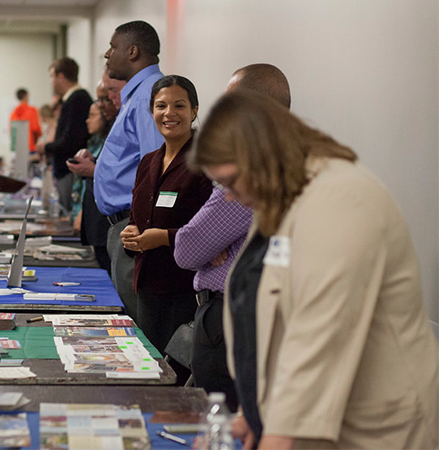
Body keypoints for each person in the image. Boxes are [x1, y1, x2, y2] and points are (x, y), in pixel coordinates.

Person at [192, 89, 439, 449]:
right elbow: (267, 308)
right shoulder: (281, 193)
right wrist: (252, 413)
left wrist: (275, 437)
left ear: (262, 155)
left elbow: (317, 334)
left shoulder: (341, 200)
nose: (228, 196)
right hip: (297, 416)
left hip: (370, 429)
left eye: (230, 181)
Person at [173, 63, 291, 411]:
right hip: (243, 317)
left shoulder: (256, 164)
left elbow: (186, 248)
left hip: (230, 320)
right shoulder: (285, 158)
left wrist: (210, 248)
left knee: (220, 419)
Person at [119, 75, 212, 384]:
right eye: (161, 106)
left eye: (179, 106)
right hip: (147, 285)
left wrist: (161, 238)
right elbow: (138, 217)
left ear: (195, 111)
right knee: (150, 370)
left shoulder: (206, 162)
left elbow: (208, 231)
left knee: (174, 378)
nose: (169, 113)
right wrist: (131, 233)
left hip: (184, 288)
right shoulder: (148, 162)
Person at [94, 20, 165, 320]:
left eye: (113, 47)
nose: (107, 54)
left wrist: (145, 227)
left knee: (141, 324)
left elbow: (158, 167)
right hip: (125, 227)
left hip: (135, 229)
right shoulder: (136, 94)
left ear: (133, 51)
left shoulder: (151, 94)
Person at [66, 84, 114, 272]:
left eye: (106, 100)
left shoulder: (110, 135)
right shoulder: (95, 142)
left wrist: (94, 169)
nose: (87, 120)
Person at [35, 57, 92, 212]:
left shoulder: (78, 99)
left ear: (61, 76)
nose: (51, 81)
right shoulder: (70, 99)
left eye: (52, 76)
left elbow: (70, 140)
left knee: (68, 213)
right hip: (65, 172)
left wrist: (46, 147)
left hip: (70, 172)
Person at [9, 88, 42, 152]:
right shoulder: (32, 110)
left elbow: (12, 132)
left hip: (18, 148)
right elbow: (36, 129)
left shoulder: (13, 113)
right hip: (30, 146)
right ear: (25, 96)